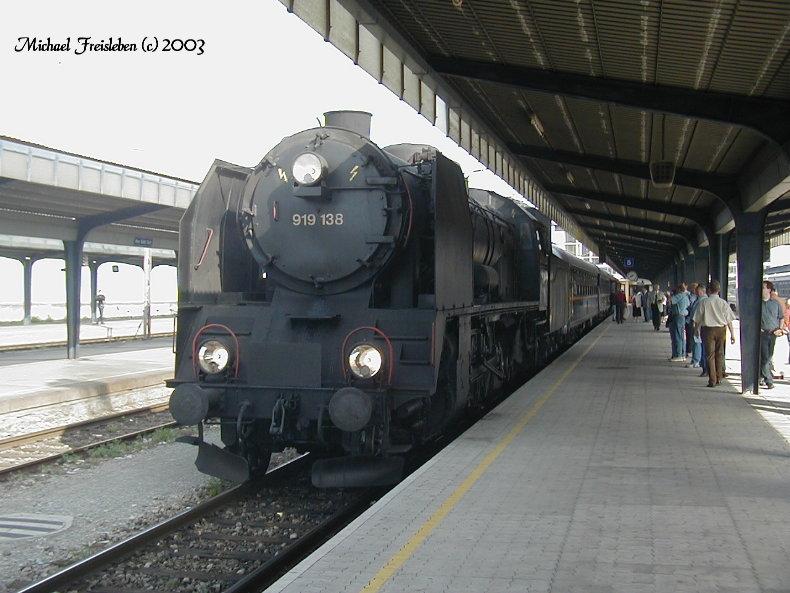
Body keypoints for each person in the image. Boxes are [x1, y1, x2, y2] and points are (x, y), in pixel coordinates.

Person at [694, 280, 736, 388]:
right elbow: (729, 320)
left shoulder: (704, 302)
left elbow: (698, 319)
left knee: (710, 355)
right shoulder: (723, 303)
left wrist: (696, 330)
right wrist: (732, 334)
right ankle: (719, 378)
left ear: (708, 290)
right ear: (719, 290)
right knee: (720, 354)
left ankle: (712, 380)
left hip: (708, 330)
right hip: (721, 330)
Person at [760, 281, 784, 389]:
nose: (761, 290)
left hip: (773, 333)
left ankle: (761, 376)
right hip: (763, 333)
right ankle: (769, 381)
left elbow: (781, 317)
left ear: (769, 290)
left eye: (763, 288)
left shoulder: (775, 304)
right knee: (765, 357)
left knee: (769, 356)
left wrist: (780, 329)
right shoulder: (758, 304)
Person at [686, 283, 706, 369]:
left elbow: (699, 314)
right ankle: (696, 360)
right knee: (695, 342)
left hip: (698, 324)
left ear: (702, 291)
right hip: (694, 322)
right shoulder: (698, 299)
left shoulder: (702, 300)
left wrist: (696, 325)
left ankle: (696, 361)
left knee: (697, 341)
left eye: (697, 291)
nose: (696, 292)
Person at [685, 283, 698, 358]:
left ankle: (693, 351)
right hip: (689, 319)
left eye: (695, 288)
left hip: (696, 320)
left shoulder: (699, 297)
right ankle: (688, 350)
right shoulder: (688, 296)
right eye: (693, 288)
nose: (694, 290)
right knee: (688, 335)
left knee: (695, 337)